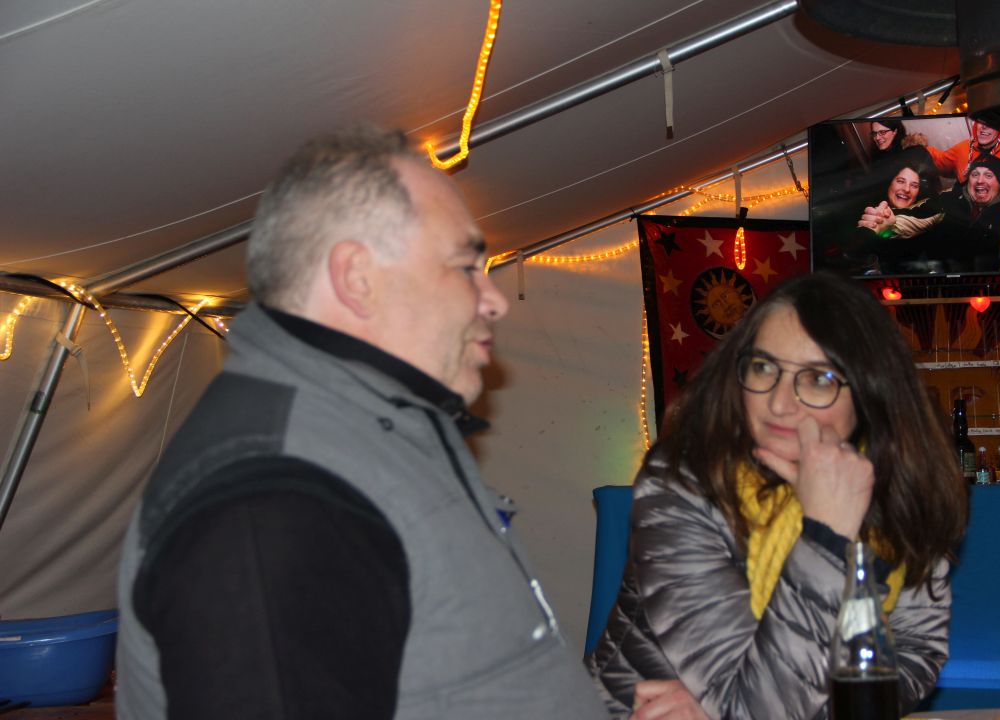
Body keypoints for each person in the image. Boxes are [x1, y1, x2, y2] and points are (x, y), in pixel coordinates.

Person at [116, 125, 638, 719]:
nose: (493, 300)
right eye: (466, 266)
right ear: (357, 278)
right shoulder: (275, 503)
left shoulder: (376, 435)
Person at [588, 272, 968, 719]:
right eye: (764, 368)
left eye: (818, 379)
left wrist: (729, 710)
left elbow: (913, 652)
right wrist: (826, 538)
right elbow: (759, 708)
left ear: (870, 393)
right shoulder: (684, 481)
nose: (779, 403)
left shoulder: (898, 484)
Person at [930, 153, 1000, 272]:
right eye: (975, 175)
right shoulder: (946, 202)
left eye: (988, 175)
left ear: (999, 183)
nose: (980, 181)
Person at [923, 119, 1000, 195]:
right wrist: (920, 147)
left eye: (991, 123)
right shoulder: (963, 149)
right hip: (966, 211)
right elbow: (938, 161)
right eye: (980, 121)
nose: (984, 126)